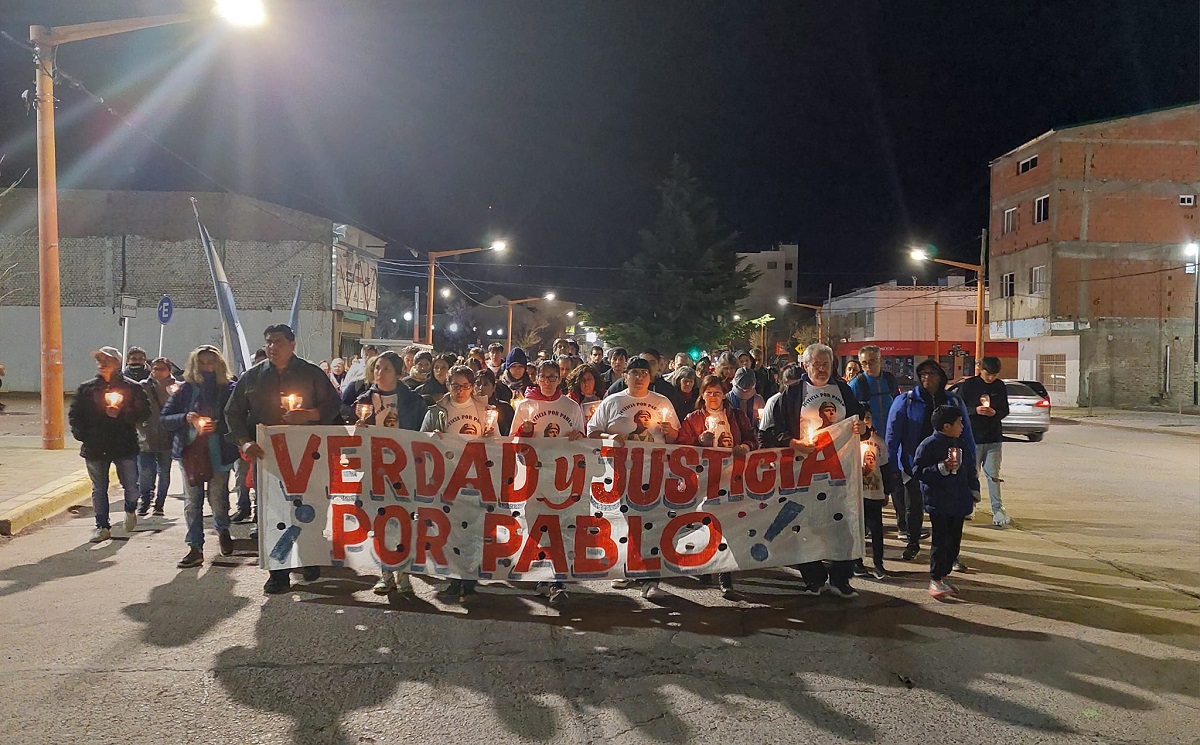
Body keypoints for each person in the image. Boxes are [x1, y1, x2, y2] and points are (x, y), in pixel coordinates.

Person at [225, 324, 342, 595]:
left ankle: (309, 557)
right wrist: (246, 441)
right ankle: (279, 572)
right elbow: (232, 413)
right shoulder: (252, 377)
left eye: (278, 342)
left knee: (311, 508)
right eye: (268, 342)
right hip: (269, 459)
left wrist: (310, 414)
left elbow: (334, 405)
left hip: (309, 457)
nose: (272, 347)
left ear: (293, 345)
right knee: (274, 512)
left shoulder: (312, 374)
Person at [760, 343, 864, 598]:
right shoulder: (794, 392)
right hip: (803, 470)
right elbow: (771, 431)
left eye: (825, 364)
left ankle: (841, 578)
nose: (821, 369)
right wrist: (793, 442)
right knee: (803, 525)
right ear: (805, 366)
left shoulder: (842, 390)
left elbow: (859, 418)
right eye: (815, 364)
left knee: (843, 523)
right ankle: (813, 577)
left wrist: (864, 429)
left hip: (838, 471)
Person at [587, 357, 680, 600]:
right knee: (625, 520)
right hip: (620, 471)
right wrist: (609, 436)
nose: (639, 377)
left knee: (652, 521)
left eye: (644, 373)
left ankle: (650, 578)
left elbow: (673, 439)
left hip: (654, 472)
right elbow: (592, 432)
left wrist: (671, 433)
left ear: (651, 377)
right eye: (634, 373)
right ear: (625, 376)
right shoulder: (613, 401)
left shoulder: (662, 402)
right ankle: (624, 568)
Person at [510, 360, 586, 607]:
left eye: (553, 377)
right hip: (534, 474)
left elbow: (582, 439)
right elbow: (513, 441)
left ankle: (558, 579)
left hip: (561, 477)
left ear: (560, 379)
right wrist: (526, 431)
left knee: (560, 526)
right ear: (537, 378)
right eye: (544, 377)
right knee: (537, 526)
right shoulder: (525, 406)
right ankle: (543, 572)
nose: (548, 382)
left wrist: (578, 436)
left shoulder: (571, 407)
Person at [675, 374, 758, 598]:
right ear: (702, 395)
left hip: (731, 476)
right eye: (709, 393)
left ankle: (725, 576)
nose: (713, 397)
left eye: (717, 393)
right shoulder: (693, 419)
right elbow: (681, 445)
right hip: (704, 479)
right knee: (704, 523)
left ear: (724, 395)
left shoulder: (737, 416)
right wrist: (698, 443)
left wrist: (745, 446)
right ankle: (705, 566)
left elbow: (753, 438)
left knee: (728, 525)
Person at [885, 358, 975, 563]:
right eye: (923, 374)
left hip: (950, 467)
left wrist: (969, 466)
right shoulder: (906, 401)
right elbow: (892, 435)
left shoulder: (953, 401)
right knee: (913, 508)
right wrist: (892, 466)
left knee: (947, 514)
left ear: (941, 377)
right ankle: (913, 543)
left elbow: (966, 434)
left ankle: (950, 555)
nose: (927, 378)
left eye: (932, 374)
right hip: (915, 466)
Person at [421, 365, 498, 602]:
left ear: (472, 386)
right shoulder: (437, 411)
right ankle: (454, 577)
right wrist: (432, 437)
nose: (461, 391)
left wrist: (489, 438)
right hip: (447, 477)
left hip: (474, 477)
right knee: (450, 528)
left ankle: (469, 578)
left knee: (473, 528)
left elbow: (497, 441)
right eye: (455, 386)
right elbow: (421, 437)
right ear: (448, 385)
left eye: (465, 386)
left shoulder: (484, 410)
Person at [354, 351, 428, 595]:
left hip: (404, 470)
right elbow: (350, 436)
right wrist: (358, 430)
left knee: (405, 520)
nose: (379, 373)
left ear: (398, 373)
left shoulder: (413, 402)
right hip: (375, 469)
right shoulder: (363, 401)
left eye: (385, 369)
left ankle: (404, 573)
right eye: (376, 368)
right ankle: (386, 574)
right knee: (379, 521)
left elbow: (423, 433)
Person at [160, 345, 240, 567]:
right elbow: (165, 419)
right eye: (202, 363)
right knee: (192, 501)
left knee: (218, 498)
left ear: (219, 364)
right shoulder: (185, 390)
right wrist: (186, 418)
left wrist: (220, 425)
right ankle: (195, 546)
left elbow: (239, 417)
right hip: (191, 453)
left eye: (211, 362)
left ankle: (222, 529)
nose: (207, 367)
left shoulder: (228, 388)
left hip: (218, 452)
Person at [69, 346, 150, 542]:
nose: (102, 363)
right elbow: (75, 414)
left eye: (107, 359)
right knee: (99, 488)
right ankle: (102, 526)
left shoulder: (132, 387)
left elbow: (144, 413)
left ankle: (131, 509)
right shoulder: (87, 389)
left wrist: (122, 413)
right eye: (99, 359)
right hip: (96, 446)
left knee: (131, 486)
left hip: (124, 445)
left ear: (117, 362)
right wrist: (81, 434)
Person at [914, 405, 980, 598]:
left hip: (958, 502)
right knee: (941, 542)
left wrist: (973, 489)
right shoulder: (929, 445)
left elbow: (969, 470)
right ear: (946, 426)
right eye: (959, 423)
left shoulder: (961, 444)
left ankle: (943, 577)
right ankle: (935, 579)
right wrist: (940, 468)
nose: (962, 427)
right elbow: (918, 471)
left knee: (953, 543)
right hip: (939, 502)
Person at [847, 345, 904, 533]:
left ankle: (903, 523)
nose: (868, 366)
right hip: (868, 441)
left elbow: (898, 402)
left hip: (892, 438)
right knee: (868, 481)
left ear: (880, 360)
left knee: (895, 478)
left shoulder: (889, 379)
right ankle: (868, 525)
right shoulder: (856, 384)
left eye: (872, 361)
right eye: (864, 363)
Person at [956, 356, 1012, 527]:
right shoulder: (969, 385)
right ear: (981, 369)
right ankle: (968, 507)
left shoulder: (999, 386)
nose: (991, 378)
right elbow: (959, 407)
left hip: (993, 438)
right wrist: (974, 410)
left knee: (993, 475)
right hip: (973, 439)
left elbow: (1005, 409)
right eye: (988, 374)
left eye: (994, 375)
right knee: (971, 474)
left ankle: (998, 509)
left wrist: (995, 413)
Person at [135, 357, 176, 517]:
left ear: (168, 370)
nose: (157, 372)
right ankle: (145, 501)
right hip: (146, 435)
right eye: (154, 369)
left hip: (167, 436)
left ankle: (160, 503)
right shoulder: (142, 387)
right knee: (145, 472)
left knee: (164, 471)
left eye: (161, 369)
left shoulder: (175, 387)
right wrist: (140, 425)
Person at [857, 409, 891, 580]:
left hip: (875, 492)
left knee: (877, 530)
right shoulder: (850, 442)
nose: (865, 421)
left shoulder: (879, 442)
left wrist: (887, 491)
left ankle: (879, 564)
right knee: (858, 530)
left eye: (868, 417)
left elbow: (885, 467)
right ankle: (857, 563)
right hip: (857, 494)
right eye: (862, 418)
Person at [473, 369, 514, 436]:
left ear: (493, 387)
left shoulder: (506, 409)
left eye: (485, 384)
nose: (481, 388)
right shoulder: (468, 408)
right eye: (478, 384)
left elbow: (511, 434)